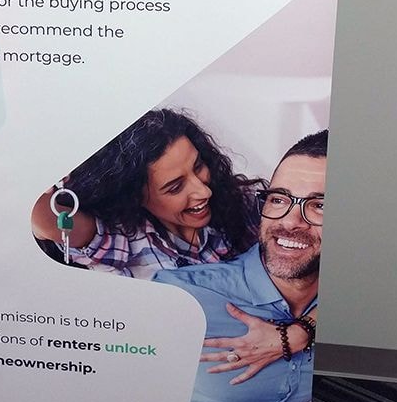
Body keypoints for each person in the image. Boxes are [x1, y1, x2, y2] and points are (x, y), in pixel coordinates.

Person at [153, 129, 326, 402]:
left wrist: (301, 331)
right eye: (279, 199)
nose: (290, 222)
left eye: (320, 206)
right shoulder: (182, 297)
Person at [31, 108, 264, 278]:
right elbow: (44, 220)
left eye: (198, 166)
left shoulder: (242, 202)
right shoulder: (123, 239)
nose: (204, 191)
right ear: (135, 197)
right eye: (175, 187)